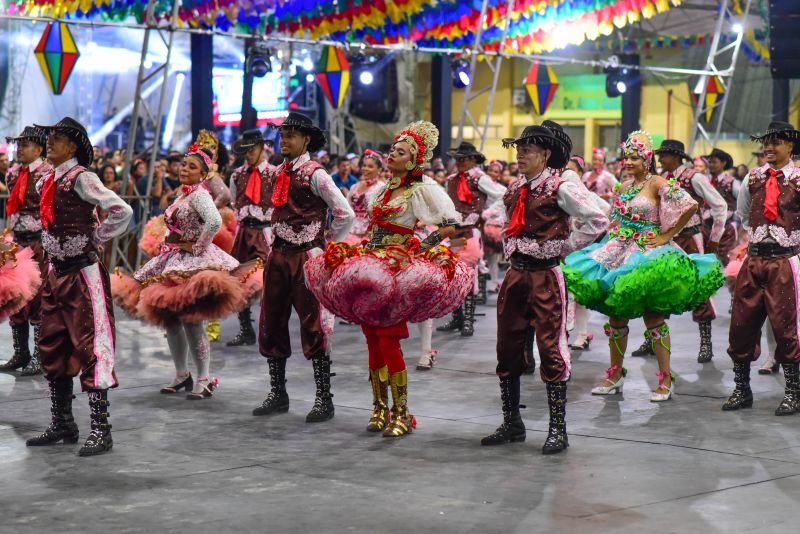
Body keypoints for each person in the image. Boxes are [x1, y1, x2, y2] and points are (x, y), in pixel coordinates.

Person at [305, 120, 472, 437]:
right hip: (372, 260)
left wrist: (421, 246)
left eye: (400, 152)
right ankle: (379, 408)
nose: (391, 155)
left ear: (413, 161)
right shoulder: (381, 190)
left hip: (398, 267)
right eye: (392, 150)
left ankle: (402, 412)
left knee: (388, 339)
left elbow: (451, 225)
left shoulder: (421, 190)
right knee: (371, 337)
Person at [564, 131, 723, 402]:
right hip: (619, 252)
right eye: (626, 157)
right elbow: (616, 220)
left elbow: (689, 205)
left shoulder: (657, 182)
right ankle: (615, 374)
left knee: (653, 318)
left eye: (635, 157)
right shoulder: (624, 187)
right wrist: (609, 243)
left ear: (647, 160)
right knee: (616, 317)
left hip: (649, 256)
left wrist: (665, 235)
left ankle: (665, 379)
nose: (628, 162)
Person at [480, 125, 607, 454]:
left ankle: (558, 430)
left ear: (546, 155)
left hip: (546, 277)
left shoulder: (562, 185)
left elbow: (598, 219)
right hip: (515, 275)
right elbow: (504, 216)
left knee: (551, 349)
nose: (520, 156)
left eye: (528, 151)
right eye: (519, 150)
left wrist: (566, 247)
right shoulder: (516, 185)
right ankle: (512, 423)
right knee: (507, 348)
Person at [26, 117, 133, 456]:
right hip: (56, 273)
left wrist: (96, 237)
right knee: (51, 342)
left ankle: (101, 429)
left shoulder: (82, 178)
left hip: (82, 274)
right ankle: (63, 423)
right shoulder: (48, 178)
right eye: (49, 137)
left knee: (92, 344)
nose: (49, 143)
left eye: (56, 138)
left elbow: (121, 209)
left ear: (72, 145)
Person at [114, 146, 256, 399]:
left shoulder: (199, 195)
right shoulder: (182, 196)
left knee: (191, 321)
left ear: (203, 174)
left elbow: (213, 221)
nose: (184, 169)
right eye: (183, 164)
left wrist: (197, 246)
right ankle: (182, 375)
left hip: (192, 261)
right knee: (171, 321)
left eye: (192, 166)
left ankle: (204, 378)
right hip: (173, 259)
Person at [253, 111, 354, 423]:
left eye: (291, 135)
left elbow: (344, 213)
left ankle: (324, 398)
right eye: (282, 135)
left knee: (314, 325)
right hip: (278, 257)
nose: (284, 140)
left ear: (306, 139)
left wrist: (322, 241)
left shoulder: (316, 174)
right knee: (271, 320)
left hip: (306, 257)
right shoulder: (277, 172)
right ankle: (278, 393)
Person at [724, 121, 800, 415]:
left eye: (776, 142)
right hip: (753, 260)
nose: (769, 147)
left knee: (786, 327)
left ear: (791, 146)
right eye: (766, 142)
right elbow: (743, 215)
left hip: (785, 262)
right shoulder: (752, 178)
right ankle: (742, 389)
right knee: (741, 324)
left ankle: (793, 391)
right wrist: (759, 239)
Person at [647, 139, 727, 363]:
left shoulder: (694, 177)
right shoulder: (661, 179)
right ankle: (651, 338)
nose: (661, 159)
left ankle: (706, 342)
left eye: (664, 155)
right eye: (660, 155)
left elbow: (720, 205)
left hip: (690, 237)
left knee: (698, 286)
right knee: (656, 285)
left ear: (676, 156)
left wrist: (715, 237)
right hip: (665, 239)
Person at [437, 142, 505, 336]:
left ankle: (468, 320)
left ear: (473, 160)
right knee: (451, 276)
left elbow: (504, 195)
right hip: (453, 234)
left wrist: (486, 214)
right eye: (457, 159)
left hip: (470, 233)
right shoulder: (451, 179)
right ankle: (457, 318)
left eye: (463, 159)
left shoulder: (479, 178)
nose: (459, 162)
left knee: (468, 276)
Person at [0, 127, 52, 375]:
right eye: (18, 145)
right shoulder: (12, 173)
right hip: (17, 242)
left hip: (39, 242)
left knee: (38, 298)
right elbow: (13, 208)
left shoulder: (48, 173)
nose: (19, 149)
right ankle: (21, 352)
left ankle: (41, 356)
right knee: (15, 295)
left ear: (39, 149)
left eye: (25, 145)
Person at [226, 128, 275, 346]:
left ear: (262, 148)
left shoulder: (274, 173)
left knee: (270, 281)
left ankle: (270, 328)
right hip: (244, 232)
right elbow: (234, 201)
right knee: (241, 280)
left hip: (266, 231)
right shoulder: (237, 175)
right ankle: (246, 329)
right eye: (245, 150)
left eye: (252, 149)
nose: (248, 154)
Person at [703, 148, 739, 272]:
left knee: (726, 257)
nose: (711, 165)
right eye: (710, 162)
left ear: (723, 163)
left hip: (726, 227)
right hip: (705, 227)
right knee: (703, 257)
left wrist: (736, 217)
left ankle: (733, 283)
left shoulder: (732, 182)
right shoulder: (703, 180)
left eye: (714, 162)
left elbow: (742, 201)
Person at [344, 149, 387, 246]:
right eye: (364, 165)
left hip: (369, 236)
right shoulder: (355, 186)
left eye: (370, 166)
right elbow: (347, 208)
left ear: (379, 170)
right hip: (349, 232)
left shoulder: (381, 188)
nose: (365, 169)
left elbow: (382, 216)